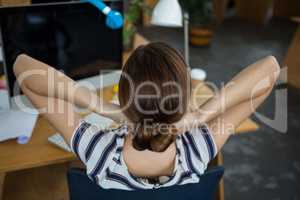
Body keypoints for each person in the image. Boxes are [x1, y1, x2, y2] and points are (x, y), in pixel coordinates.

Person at [13, 42, 280, 190]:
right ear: (183, 100)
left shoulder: (98, 151)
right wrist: (198, 116)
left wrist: (103, 108)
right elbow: (270, 69)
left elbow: (22, 68)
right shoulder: (197, 150)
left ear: (124, 99)